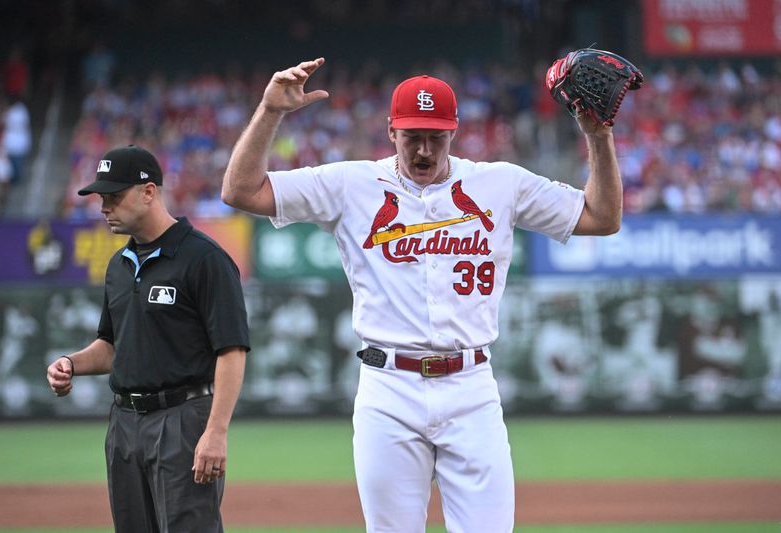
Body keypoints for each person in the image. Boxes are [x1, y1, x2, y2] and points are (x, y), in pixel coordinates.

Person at [221, 58, 622, 532]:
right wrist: (270, 111)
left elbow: (602, 217)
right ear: (391, 131)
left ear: (455, 132)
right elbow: (240, 191)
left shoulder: (500, 183)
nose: (425, 149)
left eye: (437, 136)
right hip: (388, 388)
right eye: (413, 136)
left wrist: (599, 136)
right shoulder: (352, 183)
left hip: (471, 386)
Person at [47, 144, 250, 533]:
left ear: (149, 191)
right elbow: (110, 346)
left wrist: (216, 431)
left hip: (182, 420)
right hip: (123, 422)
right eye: (101, 198)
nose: (104, 207)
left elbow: (232, 350)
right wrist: (72, 363)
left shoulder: (204, 258)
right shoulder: (118, 265)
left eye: (113, 196)